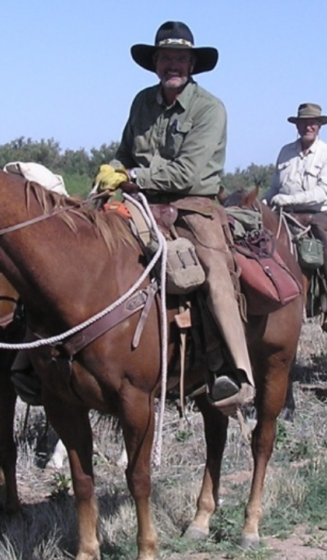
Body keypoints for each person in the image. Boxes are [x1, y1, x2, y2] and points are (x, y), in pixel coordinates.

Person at [93, 21, 255, 413]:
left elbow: (190, 173)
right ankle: (38, 358)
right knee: (85, 243)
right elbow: (125, 152)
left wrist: (131, 176)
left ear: (192, 64)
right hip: (142, 201)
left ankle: (235, 371)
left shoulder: (210, 109)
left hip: (192, 204)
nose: (174, 64)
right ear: (155, 62)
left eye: (181, 58)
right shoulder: (141, 102)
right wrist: (110, 171)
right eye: (166, 57)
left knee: (215, 268)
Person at [264, 102, 327, 332]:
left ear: (319, 125)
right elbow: (274, 187)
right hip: (285, 214)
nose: (308, 126)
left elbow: (323, 193)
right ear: (297, 125)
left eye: (312, 122)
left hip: (318, 215)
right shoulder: (285, 151)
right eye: (303, 122)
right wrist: (263, 203)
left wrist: (286, 200)